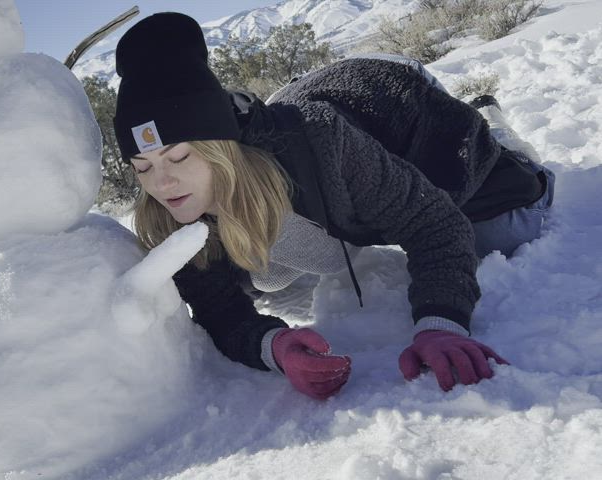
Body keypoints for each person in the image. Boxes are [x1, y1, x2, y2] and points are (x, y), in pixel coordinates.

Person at [111, 13, 555, 399]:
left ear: (221, 148)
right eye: (142, 166)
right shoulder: (166, 211)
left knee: (507, 233)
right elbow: (218, 308)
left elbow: (433, 223)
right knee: (266, 273)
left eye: (179, 157)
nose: (162, 183)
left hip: (398, 102)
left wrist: (441, 322)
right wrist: (274, 347)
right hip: (316, 113)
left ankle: (496, 134)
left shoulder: (323, 144)